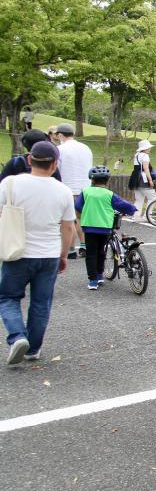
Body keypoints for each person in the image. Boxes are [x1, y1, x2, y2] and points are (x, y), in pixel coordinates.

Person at [0, 141, 75, 365]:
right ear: (54, 164)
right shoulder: (63, 190)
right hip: (49, 254)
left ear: (29, 160)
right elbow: (68, 227)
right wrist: (63, 254)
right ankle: (33, 348)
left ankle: (17, 336)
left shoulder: (11, 183)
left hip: (17, 251)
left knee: (7, 297)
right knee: (41, 303)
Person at [76, 166, 136, 290]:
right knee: (101, 251)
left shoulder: (86, 192)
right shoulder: (109, 194)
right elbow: (122, 205)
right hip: (104, 228)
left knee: (91, 253)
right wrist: (132, 209)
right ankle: (100, 275)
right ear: (108, 180)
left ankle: (92, 281)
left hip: (89, 227)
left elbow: (78, 206)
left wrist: (86, 211)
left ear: (92, 180)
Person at [54, 122, 92, 259]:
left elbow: (56, 169)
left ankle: (70, 250)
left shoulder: (60, 149)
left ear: (60, 135)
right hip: (86, 188)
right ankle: (84, 247)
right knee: (81, 219)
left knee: (69, 221)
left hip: (67, 189)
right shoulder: (86, 148)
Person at [128, 139, 156, 217]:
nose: (150, 149)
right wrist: (150, 180)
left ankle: (136, 216)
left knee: (139, 199)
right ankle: (147, 216)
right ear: (145, 148)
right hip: (143, 178)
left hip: (135, 177)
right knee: (152, 197)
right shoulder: (145, 156)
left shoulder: (136, 155)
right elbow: (146, 168)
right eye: (148, 148)